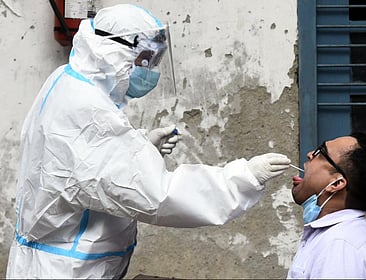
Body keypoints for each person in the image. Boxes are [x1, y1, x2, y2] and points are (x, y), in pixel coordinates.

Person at [6, 4, 291, 278]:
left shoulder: (69, 82)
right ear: (113, 53)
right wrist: (243, 178)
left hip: (60, 259)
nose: (150, 70)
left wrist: (141, 147)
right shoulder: (86, 108)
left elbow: (86, 166)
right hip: (67, 269)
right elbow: (159, 195)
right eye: (146, 60)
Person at [287, 132, 366, 279]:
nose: (310, 154)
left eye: (320, 152)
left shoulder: (339, 247)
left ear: (336, 183)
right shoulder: (335, 238)